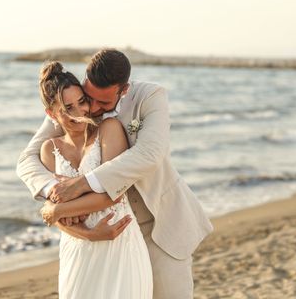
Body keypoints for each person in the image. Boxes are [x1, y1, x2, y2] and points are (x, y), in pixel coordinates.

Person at [17, 48, 213, 299]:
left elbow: (149, 154)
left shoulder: (150, 96)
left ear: (124, 90)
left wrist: (80, 185)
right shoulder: (75, 104)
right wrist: (53, 196)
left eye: (103, 103)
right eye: (90, 97)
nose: (92, 109)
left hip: (158, 225)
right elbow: (27, 158)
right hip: (95, 236)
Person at [34, 60, 152, 297]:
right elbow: (58, 212)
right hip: (77, 250)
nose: (80, 112)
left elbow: (112, 193)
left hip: (119, 244)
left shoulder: (109, 129)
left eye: (81, 101)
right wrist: (87, 233)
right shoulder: (49, 150)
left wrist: (57, 211)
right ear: (51, 114)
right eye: (68, 108)